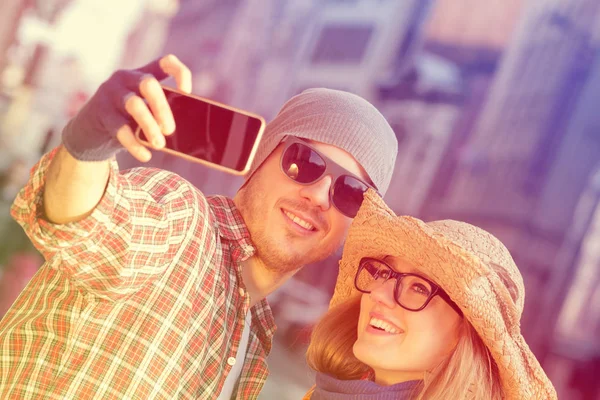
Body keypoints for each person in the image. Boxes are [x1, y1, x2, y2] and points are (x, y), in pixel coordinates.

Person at [0, 55, 398, 399]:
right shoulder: (181, 220)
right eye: (305, 162)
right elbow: (90, 223)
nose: (320, 196)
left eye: (351, 192)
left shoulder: (253, 336)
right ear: (260, 158)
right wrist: (89, 144)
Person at [304, 190, 557, 399]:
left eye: (419, 287)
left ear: (466, 334)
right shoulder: (325, 393)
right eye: (382, 273)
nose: (378, 293)